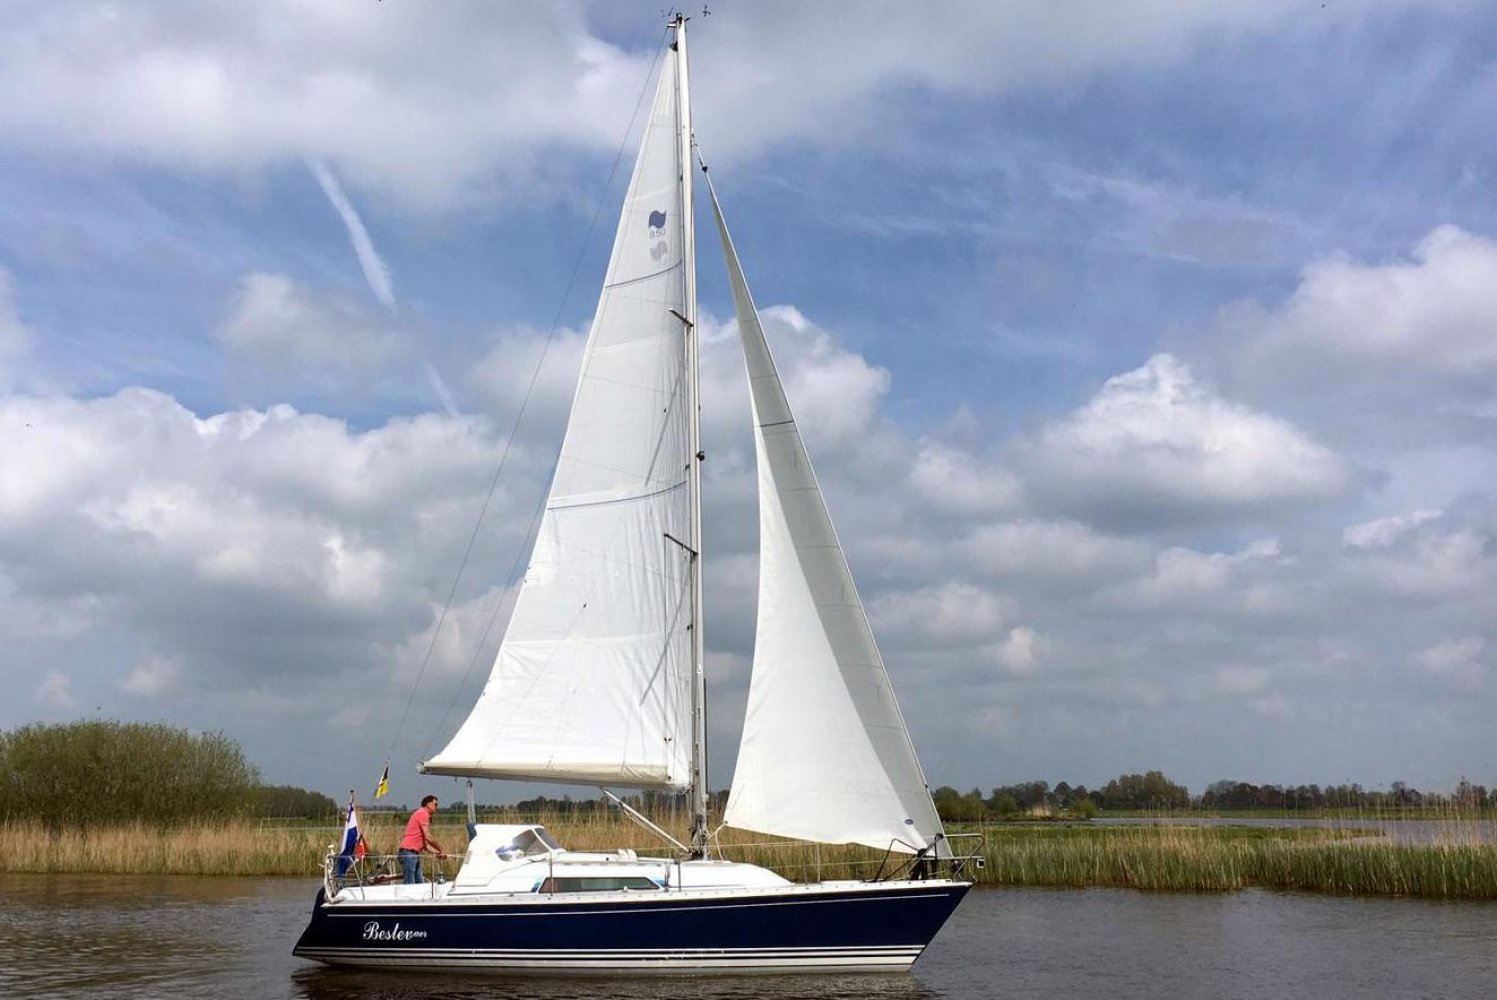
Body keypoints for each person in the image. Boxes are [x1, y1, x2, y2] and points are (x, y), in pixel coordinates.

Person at [398, 795, 445, 884]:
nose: (436, 807)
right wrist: (440, 848)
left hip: (413, 854)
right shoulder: (423, 813)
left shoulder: (421, 814)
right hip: (409, 853)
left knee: (419, 882)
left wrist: (437, 853)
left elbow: (425, 845)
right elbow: (428, 836)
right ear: (428, 804)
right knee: (410, 883)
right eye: (435, 804)